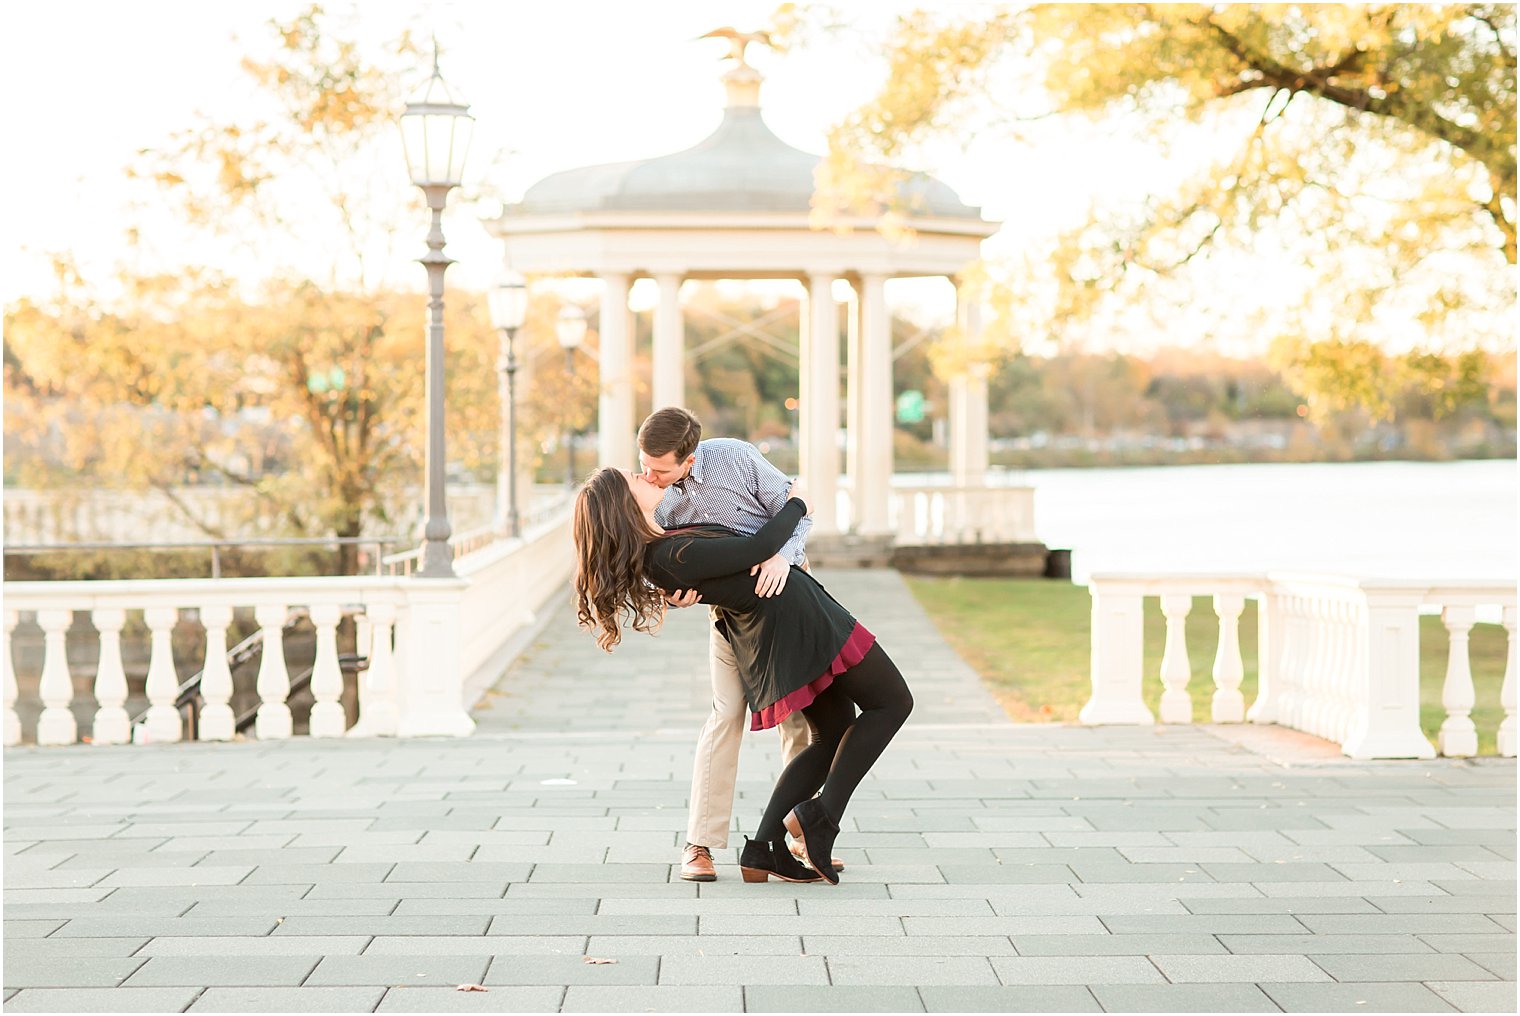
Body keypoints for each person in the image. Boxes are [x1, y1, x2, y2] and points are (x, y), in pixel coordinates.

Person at [572, 465, 914, 885]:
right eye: (635, 479)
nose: (645, 476)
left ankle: (763, 849)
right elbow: (758, 547)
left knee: (834, 732)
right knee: (894, 702)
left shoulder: (664, 545)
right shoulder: (666, 555)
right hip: (799, 622)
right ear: (624, 505)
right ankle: (820, 817)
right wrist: (799, 502)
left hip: (788, 621)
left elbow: (726, 562)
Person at [635, 408, 822, 881]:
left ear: (690, 459)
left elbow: (799, 506)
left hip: (787, 602)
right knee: (725, 716)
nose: (648, 474)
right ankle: (698, 845)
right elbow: (662, 568)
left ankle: (799, 837)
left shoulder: (737, 458)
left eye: (659, 468)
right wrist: (675, 599)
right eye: (644, 464)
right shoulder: (653, 498)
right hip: (730, 617)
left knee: (798, 718)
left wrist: (783, 556)